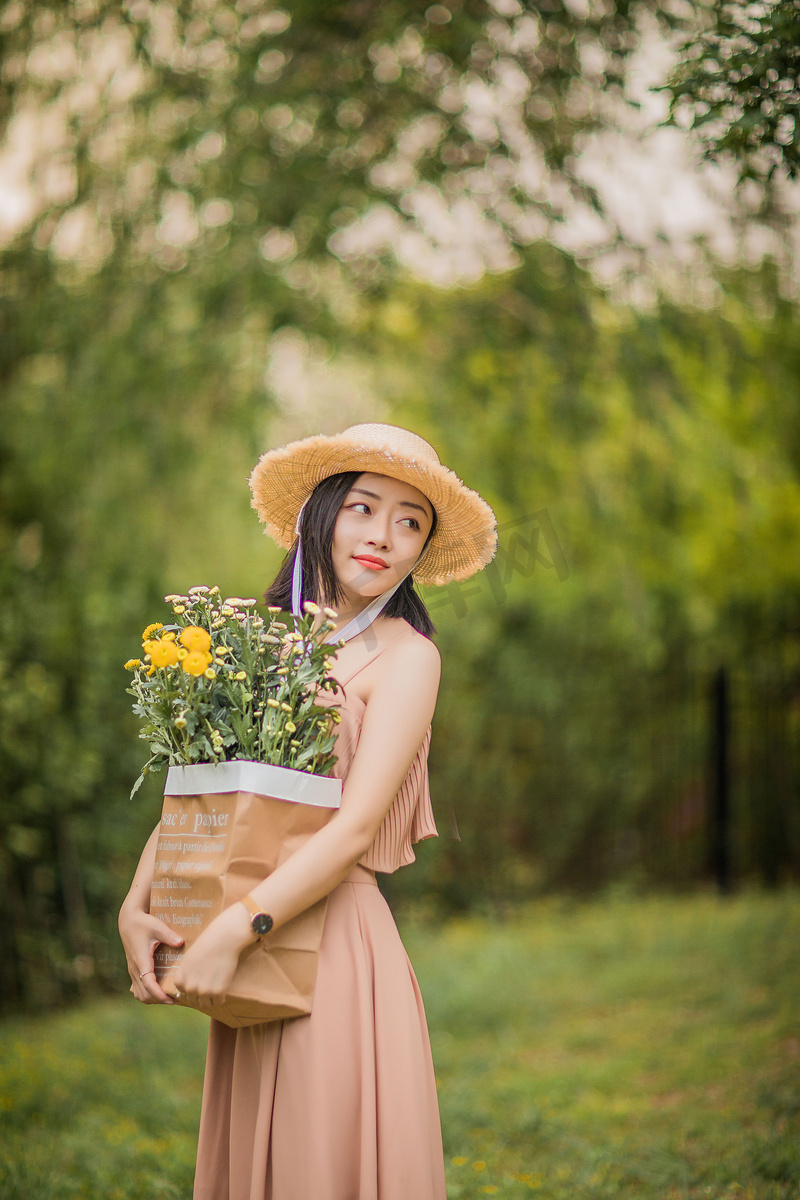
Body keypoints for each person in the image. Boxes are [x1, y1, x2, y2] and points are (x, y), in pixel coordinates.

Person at [118, 423, 497, 1200]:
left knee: (320, 1163)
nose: (382, 536)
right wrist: (136, 902)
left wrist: (238, 925)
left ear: (423, 549)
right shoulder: (260, 639)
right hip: (251, 947)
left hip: (334, 946)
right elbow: (206, 788)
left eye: (409, 521)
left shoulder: (406, 656)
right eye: (363, 507)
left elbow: (356, 826)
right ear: (318, 515)